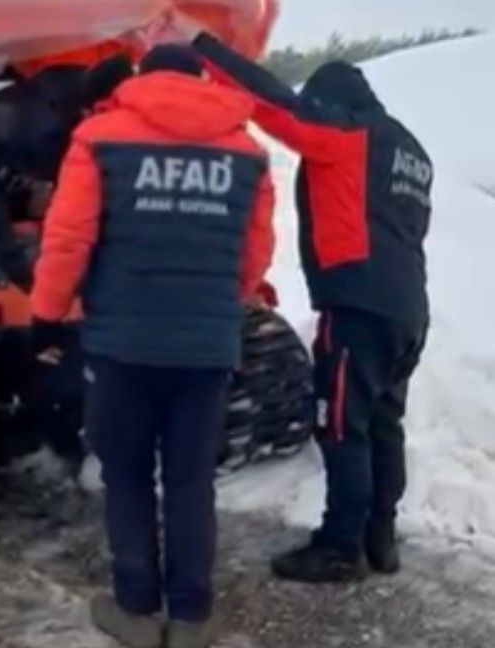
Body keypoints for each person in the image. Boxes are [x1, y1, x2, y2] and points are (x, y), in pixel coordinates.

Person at [30, 45, 276, 648]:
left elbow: (68, 238)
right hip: (206, 349)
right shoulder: (247, 152)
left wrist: (47, 313)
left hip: (121, 345)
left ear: (144, 79)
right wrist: (219, 303)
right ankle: (191, 618)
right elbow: (256, 253)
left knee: (128, 475)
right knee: (191, 481)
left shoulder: (99, 137)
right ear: (203, 81)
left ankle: (137, 611)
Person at [192, 33, 433, 584]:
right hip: (407, 311)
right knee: (383, 424)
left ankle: (339, 548)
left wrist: (206, 49)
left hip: (358, 308)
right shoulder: (411, 152)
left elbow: (276, 104)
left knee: (342, 426)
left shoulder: (348, 134)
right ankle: (379, 537)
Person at [0, 56, 134, 291]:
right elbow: (68, 197)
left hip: (6, 148)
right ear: (87, 110)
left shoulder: (89, 85)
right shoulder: (43, 131)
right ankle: (24, 290)